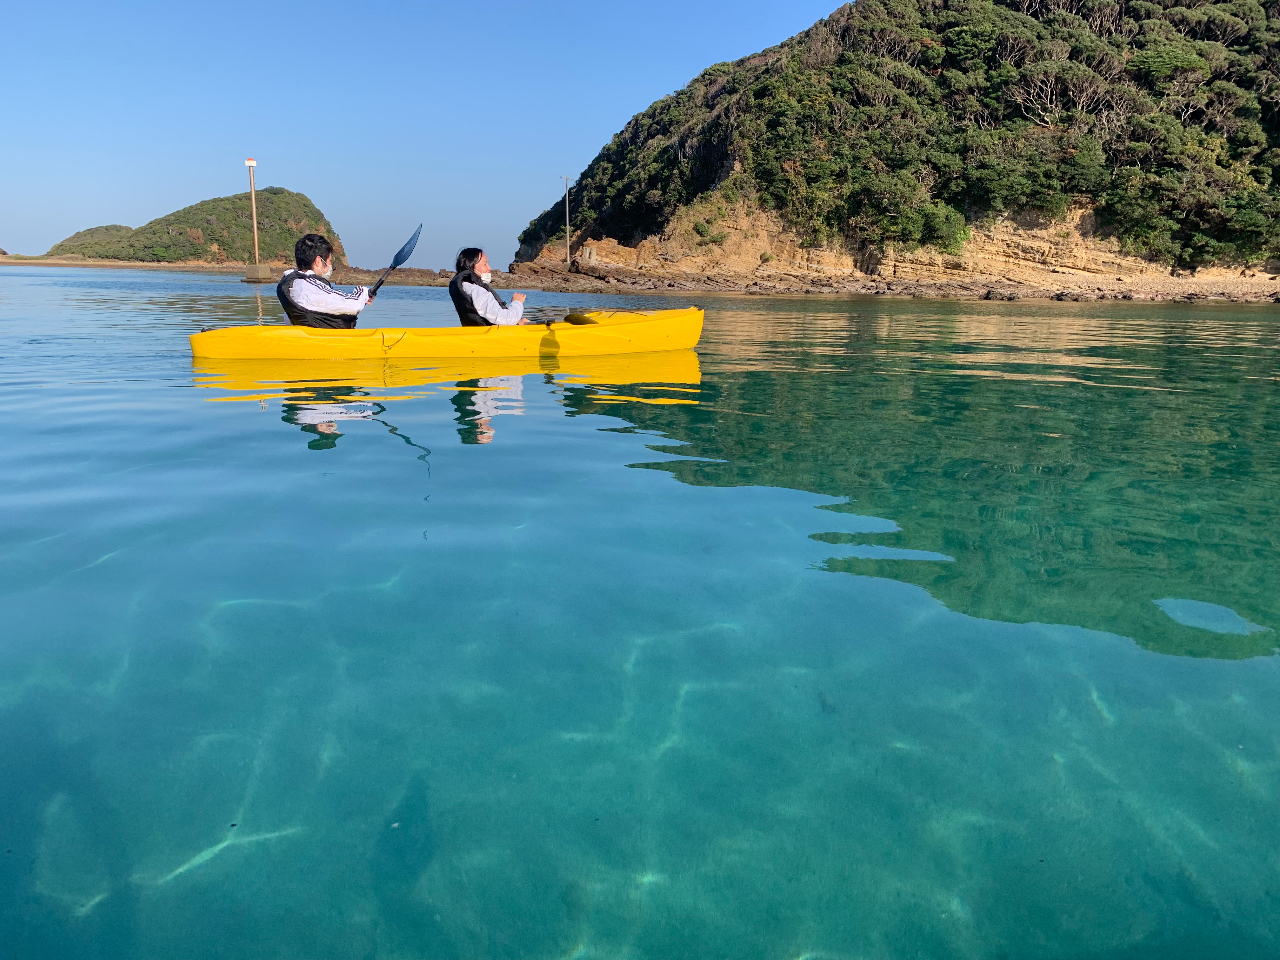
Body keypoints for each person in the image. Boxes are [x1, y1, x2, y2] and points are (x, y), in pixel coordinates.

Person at [277, 234, 375, 328]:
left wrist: (363, 299)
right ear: (318, 261)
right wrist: (363, 293)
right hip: (321, 341)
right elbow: (353, 304)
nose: (330, 266)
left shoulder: (294, 284)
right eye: (330, 261)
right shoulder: (308, 287)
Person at [447, 248, 527, 326]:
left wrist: (517, 322)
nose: (489, 268)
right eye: (485, 264)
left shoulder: (465, 287)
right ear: (471, 266)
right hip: (489, 337)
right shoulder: (477, 291)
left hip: (477, 334)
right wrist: (517, 303)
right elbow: (508, 319)